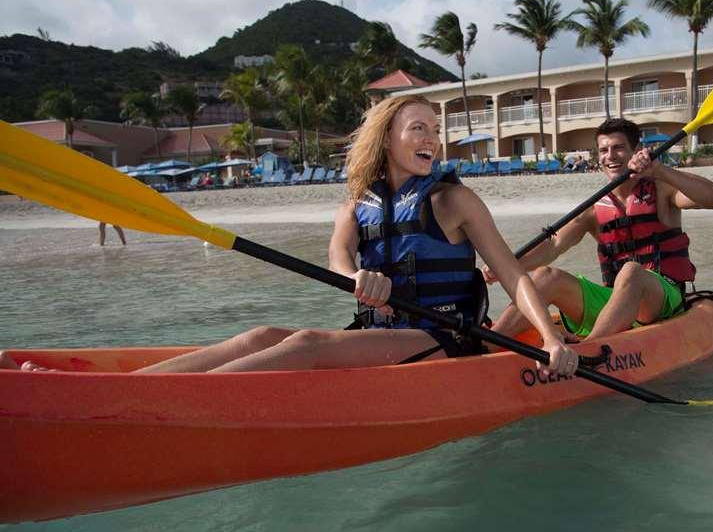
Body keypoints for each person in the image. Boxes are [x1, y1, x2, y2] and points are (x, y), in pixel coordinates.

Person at [1, 95, 579, 376]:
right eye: (419, 128)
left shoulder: (455, 199)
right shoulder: (359, 203)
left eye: (437, 130)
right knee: (260, 335)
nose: (433, 138)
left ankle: (140, 404)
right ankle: (126, 387)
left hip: (443, 337)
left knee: (303, 345)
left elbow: (510, 273)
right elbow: (337, 255)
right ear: (388, 140)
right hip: (379, 331)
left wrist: (551, 340)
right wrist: (357, 278)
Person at [484, 118, 713, 341]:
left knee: (631, 271)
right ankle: (486, 344)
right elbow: (552, 246)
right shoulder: (594, 209)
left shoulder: (662, 190)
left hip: (661, 298)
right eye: (603, 150)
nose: (610, 155)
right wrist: (504, 265)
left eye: (619, 148)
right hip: (616, 302)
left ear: (635, 150)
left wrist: (660, 170)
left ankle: (589, 348)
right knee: (546, 276)